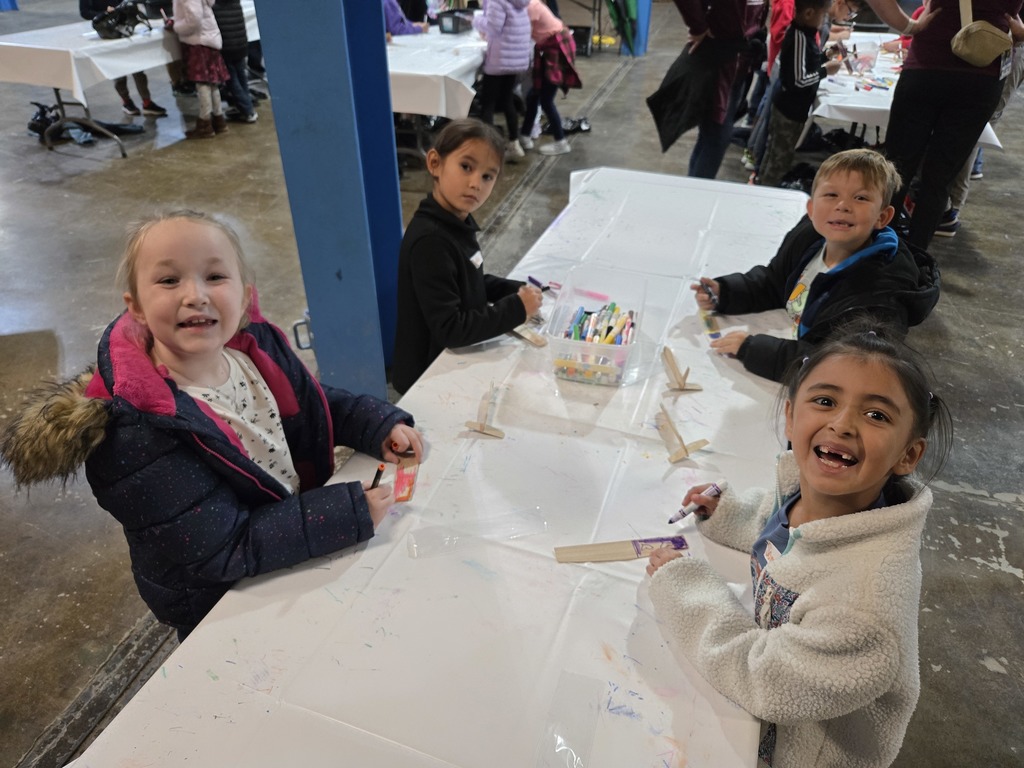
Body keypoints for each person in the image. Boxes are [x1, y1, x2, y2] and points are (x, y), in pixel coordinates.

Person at [0, 210, 424, 640]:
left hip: (290, 549)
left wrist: (376, 424)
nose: (195, 295)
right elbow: (222, 548)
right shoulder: (137, 432)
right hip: (222, 606)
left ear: (244, 299)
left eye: (215, 276)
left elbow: (311, 402)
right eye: (169, 281)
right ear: (137, 307)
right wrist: (346, 513)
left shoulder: (250, 354)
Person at [646, 322, 952, 768]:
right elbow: (784, 531)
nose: (842, 424)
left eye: (877, 415)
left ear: (908, 454)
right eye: (825, 401)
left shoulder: (865, 608)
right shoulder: (814, 500)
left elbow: (765, 680)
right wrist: (726, 513)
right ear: (791, 416)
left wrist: (685, 589)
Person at [692, 149, 939, 382]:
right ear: (811, 209)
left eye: (861, 197)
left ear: (882, 217)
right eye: (831, 195)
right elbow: (774, 282)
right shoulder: (809, 238)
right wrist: (727, 292)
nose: (843, 205)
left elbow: (843, 366)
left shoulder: (882, 293)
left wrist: (753, 349)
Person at [391, 118, 543, 393]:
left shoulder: (455, 223)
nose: (476, 183)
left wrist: (516, 290)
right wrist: (517, 309)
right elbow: (452, 328)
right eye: (466, 167)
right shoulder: (431, 241)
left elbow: (468, 282)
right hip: (427, 380)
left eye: (487, 176)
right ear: (435, 163)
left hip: (448, 365)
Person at [884, 0, 1024, 247]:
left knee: (898, 169)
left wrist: (907, 25)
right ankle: (914, 260)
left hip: (928, 64)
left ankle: (878, 252)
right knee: (940, 178)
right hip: (983, 74)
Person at [668, 0, 766, 178]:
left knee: (711, 135)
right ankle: (695, 196)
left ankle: (693, 188)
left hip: (741, 58)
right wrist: (697, 27)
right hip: (720, 56)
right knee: (716, 137)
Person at [756, 0, 842, 187]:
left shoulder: (806, 35)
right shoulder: (799, 37)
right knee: (779, 160)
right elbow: (798, 80)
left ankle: (763, 184)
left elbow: (805, 63)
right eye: (822, 14)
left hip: (793, 108)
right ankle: (766, 190)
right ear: (809, 14)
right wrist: (825, 71)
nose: (823, 19)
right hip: (789, 110)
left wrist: (825, 55)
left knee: (776, 155)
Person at [79, 0, 168, 117]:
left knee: (138, 69)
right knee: (118, 71)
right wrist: (104, 13)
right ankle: (126, 101)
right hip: (105, 31)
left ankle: (147, 102)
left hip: (124, 26)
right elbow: (85, 12)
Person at [518, 0, 581, 156]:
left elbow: (521, 34)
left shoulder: (531, 7)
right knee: (534, 96)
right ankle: (525, 136)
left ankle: (561, 142)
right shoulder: (530, 5)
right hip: (550, 46)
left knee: (546, 100)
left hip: (555, 48)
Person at [473, 0, 533, 162]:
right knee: (507, 101)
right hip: (515, 58)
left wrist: (475, 19)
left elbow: (493, 27)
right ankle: (514, 144)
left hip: (499, 60)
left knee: (488, 104)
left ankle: (488, 150)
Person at [167, 0, 231, 138]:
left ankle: (205, 124)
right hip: (209, 38)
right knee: (212, 83)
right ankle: (219, 120)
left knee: (202, 84)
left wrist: (176, 27)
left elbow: (194, 20)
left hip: (198, 41)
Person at [212, 0, 257, 123]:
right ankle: (246, 106)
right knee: (242, 78)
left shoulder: (215, 6)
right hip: (241, 44)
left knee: (232, 81)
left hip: (226, 48)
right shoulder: (236, 2)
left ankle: (248, 111)